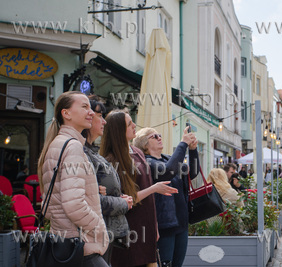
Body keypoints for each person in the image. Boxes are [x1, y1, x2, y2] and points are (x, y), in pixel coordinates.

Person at [37, 91, 109, 266]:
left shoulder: (57, 144)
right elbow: (73, 204)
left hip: (64, 243)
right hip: (81, 245)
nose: (91, 112)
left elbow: (49, 207)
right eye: (84, 107)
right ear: (66, 113)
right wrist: (99, 228)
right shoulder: (73, 146)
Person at [100, 111, 178, 267]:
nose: (134, 125)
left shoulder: (137, 152)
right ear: (118, 130)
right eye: (129, 124)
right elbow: (124, 200)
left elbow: (148, 198)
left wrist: (154, 225)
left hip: (146, 226)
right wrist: (154, 188)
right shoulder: (111, 160)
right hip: (128, 230)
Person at [134, 126, 199, 267]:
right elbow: (167, 171)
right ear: (144, 144)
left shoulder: (167, 159)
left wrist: (193, 150)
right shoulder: (146, 163)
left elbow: (192, 173)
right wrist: (183, 144)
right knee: (164, 264)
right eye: (154, 136)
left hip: (181, 224)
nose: (159, 138)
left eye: (160, 135)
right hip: (164, 226)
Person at [81, 97, 133, 264]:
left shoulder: (93, 153)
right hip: (92, 236)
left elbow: (101, 194)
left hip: (105, 234)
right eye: (100, 116)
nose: (104, 122)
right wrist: (123, 203)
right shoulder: (82, 153)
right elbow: (92, 200)